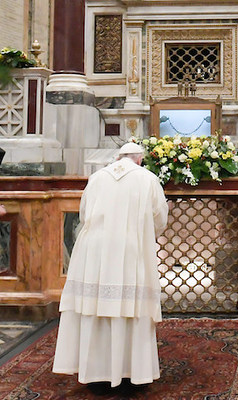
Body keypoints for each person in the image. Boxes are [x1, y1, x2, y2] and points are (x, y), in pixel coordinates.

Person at [53, 142, 169, 389]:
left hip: (93, 249)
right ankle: (130, 374)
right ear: (139, 160)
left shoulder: (96, 177)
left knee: (94, 307)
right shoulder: (147, 178)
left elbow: (84, 214)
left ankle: (96, 373)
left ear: (118, 158)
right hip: (130, 248)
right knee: (128, 308)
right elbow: (159, 218)